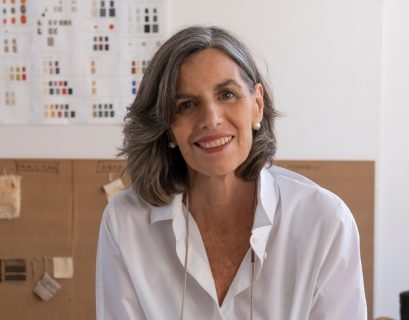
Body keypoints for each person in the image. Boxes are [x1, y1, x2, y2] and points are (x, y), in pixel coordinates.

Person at [96, 26, 367, 319]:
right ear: (168, 128)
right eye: (186, 104)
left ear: (257, 106)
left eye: (227, 94)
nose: (211, 119)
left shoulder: (325, 221)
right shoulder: (125, 221)